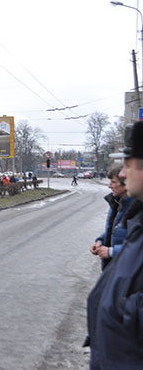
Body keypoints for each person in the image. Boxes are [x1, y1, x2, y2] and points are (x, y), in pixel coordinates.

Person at [86, 120, 143, 369]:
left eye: (128, 165)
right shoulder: (136, 221)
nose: (120, 174)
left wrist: (111, 251)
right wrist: (102, 242)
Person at [89, 163, 134, 269]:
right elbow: (115, 230)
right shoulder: (117, 203)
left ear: (126, 184)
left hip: (127, 273)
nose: (109, 186)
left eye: (113, 182)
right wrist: (100, 241)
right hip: (114, 270)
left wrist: (111, 252)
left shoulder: (136, 208)